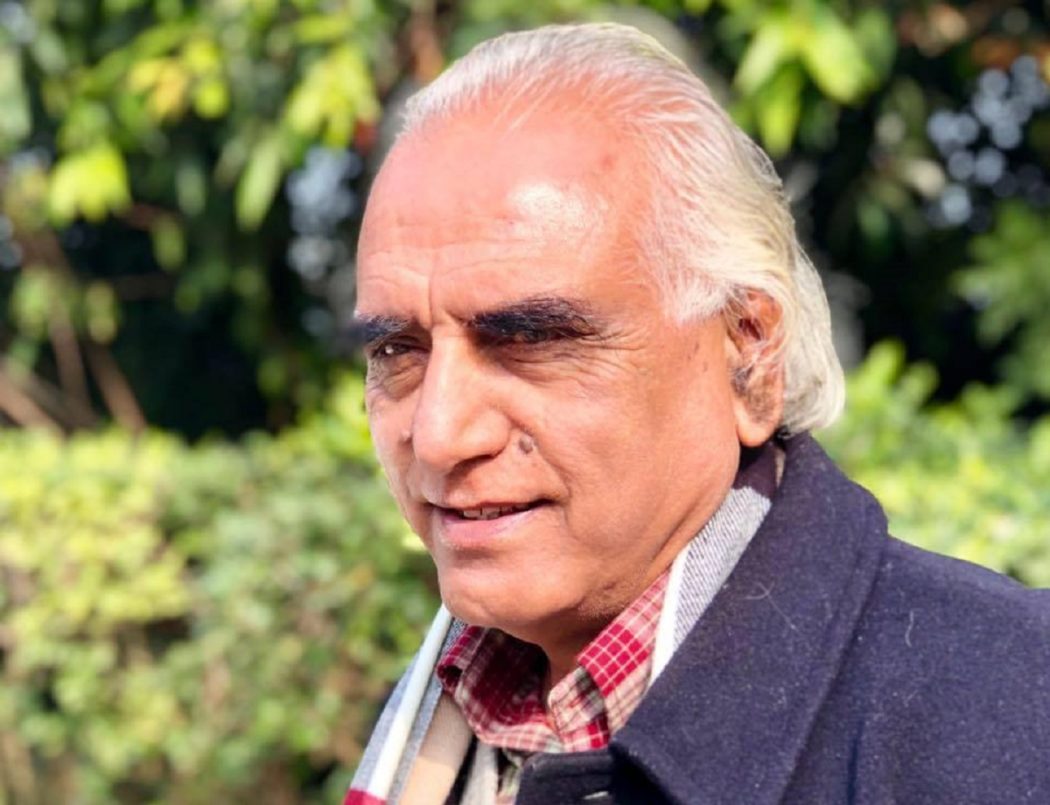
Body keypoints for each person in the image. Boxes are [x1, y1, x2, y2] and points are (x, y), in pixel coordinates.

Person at [346, 22, 1050, 805]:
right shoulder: (434, 723)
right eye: (396, 351)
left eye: (532, 341)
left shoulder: (1013, 713)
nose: (439, 436)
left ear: (748, 353)